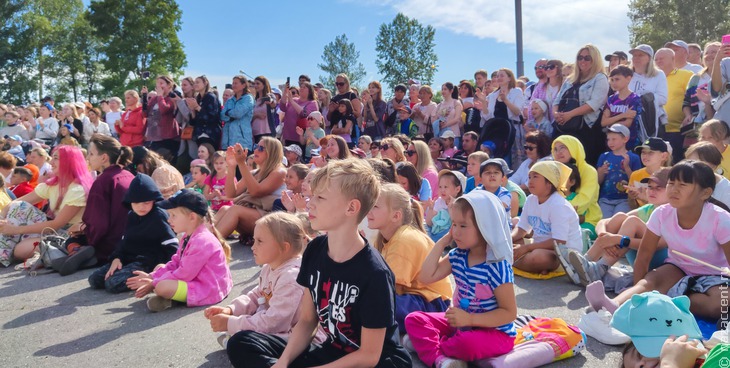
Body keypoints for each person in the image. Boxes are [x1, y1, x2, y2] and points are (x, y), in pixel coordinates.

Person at [229, 159, 411, 367]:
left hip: (376, 362)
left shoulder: (375, 273)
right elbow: (307, 321)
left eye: (321, 197)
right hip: (334, 351)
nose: (310, 203)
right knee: (241, 343)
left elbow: (369, 355)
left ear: (351, 208)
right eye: (312, 195)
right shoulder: (315, 249)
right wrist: (283, 362)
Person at [586, 161, 730, 322]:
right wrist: (638, 289)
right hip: (678, 267)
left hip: (717, 274)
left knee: (719, 306)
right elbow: (644, 255)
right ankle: (614, 305)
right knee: (649, 282)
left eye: (683, 184)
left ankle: (665, 300)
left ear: (705, 193)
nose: (674, 189)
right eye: (671, 183)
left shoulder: (721, 219)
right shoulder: (662, 213)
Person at [406, 190, 517, 368]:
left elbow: (509, 313)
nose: (456, 231)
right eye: (454, 224)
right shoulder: (457, 256)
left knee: (466, 344)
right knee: (414, 319)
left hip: (495, 332)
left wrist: (471, 319)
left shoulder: (497, 265)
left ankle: (431, 349)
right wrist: (442, 242)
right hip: (461, 324)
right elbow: (426, 276)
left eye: (463, 226)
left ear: (485, 227)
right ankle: (442, 359)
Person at [207, 212, 325, 355]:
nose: (253, 247)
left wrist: (232, 323)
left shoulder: (291, 277)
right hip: (279, 327)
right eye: (254, 240)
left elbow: (274, 322)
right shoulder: (269, 268)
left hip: (300, 338)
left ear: (284, 247)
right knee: (238, 338)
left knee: (241, 341)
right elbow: (257, 294)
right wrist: (232, 310)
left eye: (260, 241)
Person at [127, 189, 232, 312]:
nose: (169, 220)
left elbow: (184, 274)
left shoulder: (202, 241)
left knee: (162, 287)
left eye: (173, 215)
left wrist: (153, 283)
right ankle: (170, 299)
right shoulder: (188, 236)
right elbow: (176, 261)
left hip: (209, 289)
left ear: (192, 217)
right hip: (195, 280)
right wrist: (152, 276)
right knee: (159, 267)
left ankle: (171, 298)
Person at [367, 183, 452, 329]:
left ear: (396, 215)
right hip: (415, 299)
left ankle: (416, 334)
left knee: (373, 305)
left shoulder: (404, 238)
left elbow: (388, 288)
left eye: (375, 206)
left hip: (434, 304)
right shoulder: (385, 238)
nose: (369, 210)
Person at [567, 168, 671, 286]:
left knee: (632, 222)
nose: (652, 191)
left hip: (661, 264)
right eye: (650, 187)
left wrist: (619, 240)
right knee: (621, 217)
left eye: (659, 188)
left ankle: (600, 267)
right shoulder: (649, 208)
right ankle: (585, 263)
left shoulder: (672, 212)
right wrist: (604, 235)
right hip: (640, 259)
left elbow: (660, 244)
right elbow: (603, 222)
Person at [55, 135, 136, 275]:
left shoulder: (103, 181)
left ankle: (78, 250)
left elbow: (99, 223)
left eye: (91, 154)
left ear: (104, 158)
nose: (88, 158)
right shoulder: (129, 175)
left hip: (109, 246)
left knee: (71, 239)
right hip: (131, 240)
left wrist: (82, 229)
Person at [0, 146, 92, 267]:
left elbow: (56, 224)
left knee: (20, 250)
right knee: (19, 206)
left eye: (56, 158)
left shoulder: (77, 189)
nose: (51, 162)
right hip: (54, 230)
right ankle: (4, 252)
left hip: (72, 235)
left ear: (69, 161)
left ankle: (69, 250)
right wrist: (1, 217)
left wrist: (15, 230)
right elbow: (17, 201)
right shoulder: (54, 184)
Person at [88, 173, 178, 293]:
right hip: (129, 259)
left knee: (112, 284)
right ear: (130, 202)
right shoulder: (131, 215)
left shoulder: (158, 216)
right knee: (94, 279)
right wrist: (116, 258)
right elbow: (124, 242)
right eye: (136, 203)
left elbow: (172, 247)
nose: (141, 207)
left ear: (153, 200)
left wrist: (159, 272)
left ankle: (146, 281)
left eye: (146, 203)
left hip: (147, 263)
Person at [511, 161, 583, 277]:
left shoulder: (559, 205)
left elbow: (559, 242)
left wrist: (526, 248)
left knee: (539, 258)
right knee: (509, 242)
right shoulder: (530, 199)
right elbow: (522, 229)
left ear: (549, 183)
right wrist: (507, 240)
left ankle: (509, 261)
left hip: (561, 254)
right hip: (537, 247)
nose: (530, 181)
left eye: (535, 177)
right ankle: (527, 264)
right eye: (529, 177)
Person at [215, 137, 286, 239]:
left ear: (272, 152)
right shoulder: (254, 173)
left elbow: (256, 192)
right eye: (256, 146)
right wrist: (231, 166)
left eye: (261, 148)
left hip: (271, 219)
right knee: (224, 209)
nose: (256, 150)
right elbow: (231, 194)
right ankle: (199, 242)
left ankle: (210, 246)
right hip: (255, 216)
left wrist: (241, 163)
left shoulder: (280, 172)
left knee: (235, 210)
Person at [554, 44, 609, 166]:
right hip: (564, 127)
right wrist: (556, 114)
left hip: (587, 130)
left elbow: (594, 104)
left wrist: (570, 114)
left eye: (587, 58)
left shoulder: (600, 78)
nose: (582, 61)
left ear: (595, 60)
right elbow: (557, 101)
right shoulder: (569, 79)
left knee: (584, 165)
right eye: (580, 57)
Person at [552, 135, 602, 230]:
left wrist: (556, 211)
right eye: (555, 149)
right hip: (558, 218)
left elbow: (583, 201)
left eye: (563, 148)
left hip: (588, 220)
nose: (559, 152)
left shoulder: (589, 171)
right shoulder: (553, 171)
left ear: (574, 148)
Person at [654, 48, 694, 163]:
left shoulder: (687, 75)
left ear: (673, 59)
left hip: (678, 130)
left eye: (661, 58)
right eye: (656, 59)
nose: (658, 61)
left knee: (676, 163)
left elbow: (691, 98)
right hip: (656, 130)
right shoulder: (652, 78)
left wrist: (689, 114)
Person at [596, 124, 642, 218]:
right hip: (605, 199)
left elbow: (636, 183)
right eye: (608, 139)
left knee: (618, 221)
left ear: (625, 139)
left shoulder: (634, 158)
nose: (610, 142)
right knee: (604, 221)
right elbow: (598, 182)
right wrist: (600, 172)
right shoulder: (604, 156)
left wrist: (627, 167)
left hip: (624, 199)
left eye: (614, 139)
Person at [628, 44, 668, 141]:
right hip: (629, 120)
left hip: (651, 121)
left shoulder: (658, 74)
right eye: (634, 55)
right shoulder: (627, 75)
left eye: (640, 55)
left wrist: (644, 98)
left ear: (649, 58)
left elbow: (663, 98)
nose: (636, 58)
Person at [601, 66, 643, 150]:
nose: (614, 83)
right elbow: (603, 122)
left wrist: (610, 123)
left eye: (617, 79)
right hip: (612, 142)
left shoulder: (634, 98)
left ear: (628, 79)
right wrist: (623, 115)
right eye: (612, 80)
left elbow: (627, 123)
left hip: (629, 142)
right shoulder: (611, 99)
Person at [142, 75, 180, 157]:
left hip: (168, 137)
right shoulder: (154, 99)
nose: (158, 86)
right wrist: (144, 96)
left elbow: (164, 110)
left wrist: (160, 96)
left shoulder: (172, 97)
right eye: (157, 83)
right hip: (154, 135)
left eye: (161, 83)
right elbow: (145, 114)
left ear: (169, 85)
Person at [683, 42, 720, 126]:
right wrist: (688, 115)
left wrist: (709, 102)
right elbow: (686, 102)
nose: (709, 55)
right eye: (706, 53)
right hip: (697, 125)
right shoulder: (696, 78)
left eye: (714, 52)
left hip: (721, 125)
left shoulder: (726, 76)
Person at [628, 138, 672, 208]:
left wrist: (645, 198)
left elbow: (669, 205)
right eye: (643, 152)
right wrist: (632, 197)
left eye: (650, 153)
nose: (645, 156)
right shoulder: (635, 175)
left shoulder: (670, 175)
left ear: (664, 156)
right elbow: (632, 206)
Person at [425, 170, 465, 242]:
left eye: (446, 187)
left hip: (451, 237)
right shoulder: (439, 201)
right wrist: (431, 209)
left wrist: (451, 208)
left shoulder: (460, 204)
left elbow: (456, 223)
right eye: (440, 187)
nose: (442, 190)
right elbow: (429, 223)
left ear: (457, 189)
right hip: (436, 234)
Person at [188, 75, 222, 149]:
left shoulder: (211, 97)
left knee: (209, 157)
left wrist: (197, 107)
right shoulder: (198, 98)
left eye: (198, 82)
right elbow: (193, 122)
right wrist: (192, 110)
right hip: (199, 134)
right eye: (194, 83)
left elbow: (212, 117)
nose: (195, 84)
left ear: (205, 83)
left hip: (210, 134)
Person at [280, 80, 318, 147]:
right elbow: (283, 107)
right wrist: (285, 92)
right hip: (288, 136)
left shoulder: (312, 103)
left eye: (304, 87)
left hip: (301, 138)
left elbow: (304, 114)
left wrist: (291, 101)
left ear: (310, 91)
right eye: (301, 87)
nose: (301, 88)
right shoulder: (294, 100)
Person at [221, 75, 254, 150]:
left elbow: (238, 113)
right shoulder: (229, 100)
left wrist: (228, 113)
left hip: (242, 142)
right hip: (227, 142)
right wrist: (231, 114)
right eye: (233, 83)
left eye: (236, 83)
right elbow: (222, 115)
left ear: (243, 85)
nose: (233, 85)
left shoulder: (248, 98)